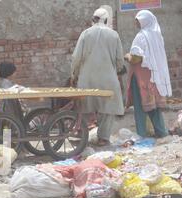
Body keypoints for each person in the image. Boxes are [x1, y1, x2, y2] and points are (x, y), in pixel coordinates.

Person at [71, 8, 125, 146]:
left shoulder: (85, 34)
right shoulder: (114, 35)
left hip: (86, 78)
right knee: (107, 108)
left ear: (93, 19)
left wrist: (74, 75)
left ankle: (81, 134)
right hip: (108, 79)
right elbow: (120, 60)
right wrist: (118, 71)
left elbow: (76, 58)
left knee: (84, 106)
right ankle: (103, 138)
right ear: (106, 20)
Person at [125, 10, 171, 138]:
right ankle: (162, 131)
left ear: (143, 21)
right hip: (154, 76)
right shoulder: (157, 35)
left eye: (137, 21)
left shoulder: (141, 36)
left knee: (140, 106)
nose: (136, 23)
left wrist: (127, 56)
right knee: (153, 104)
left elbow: (136, 58)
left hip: (141, 76)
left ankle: (141, 133)